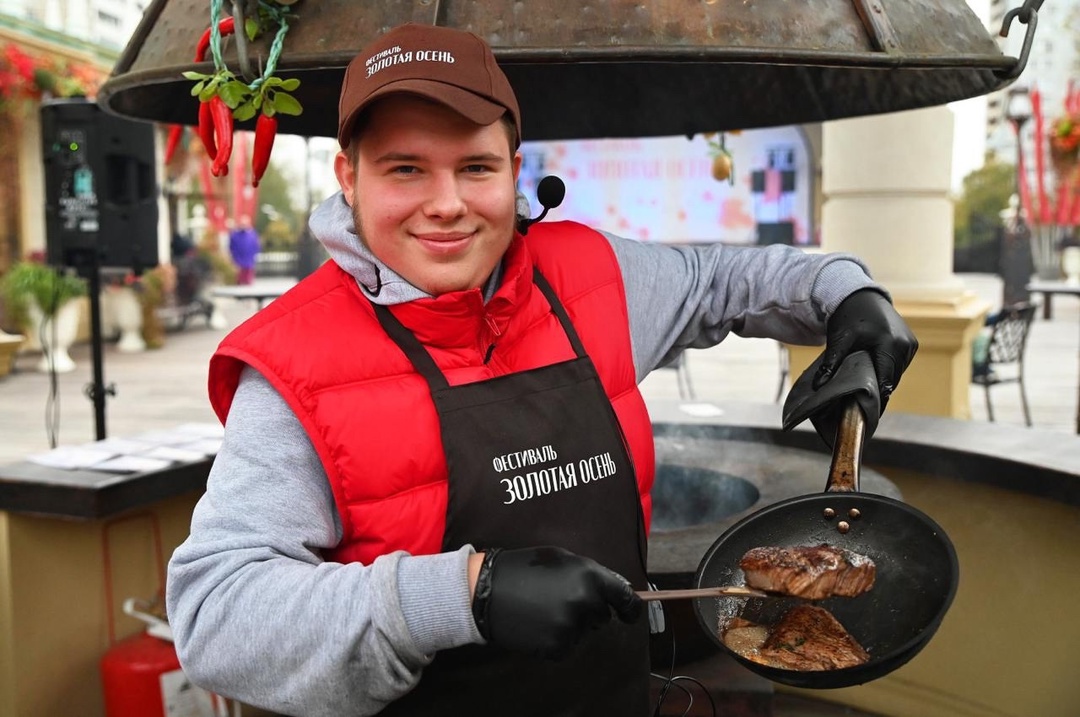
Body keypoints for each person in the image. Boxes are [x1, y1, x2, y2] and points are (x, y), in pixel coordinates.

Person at [166, 23, 918, 717]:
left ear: (513, 170)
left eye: (476, 167)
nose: (448, 204)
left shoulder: (591, 274)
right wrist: (463, 595)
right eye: (406, 168)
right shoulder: (294, 364)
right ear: (349, 176)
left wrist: (849, 296)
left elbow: (727, 279)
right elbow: (217, 616)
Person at [227, 215, 261, 285]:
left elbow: (256, 245)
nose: (244, 225)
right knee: (239, 275)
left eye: (245, 224)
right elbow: (231, 246)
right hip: (238, 258)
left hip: (249, 257)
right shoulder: (235, 235)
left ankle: (247, 283)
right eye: (242, 224)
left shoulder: (252, 234)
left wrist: (254, 254)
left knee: (247, 274)